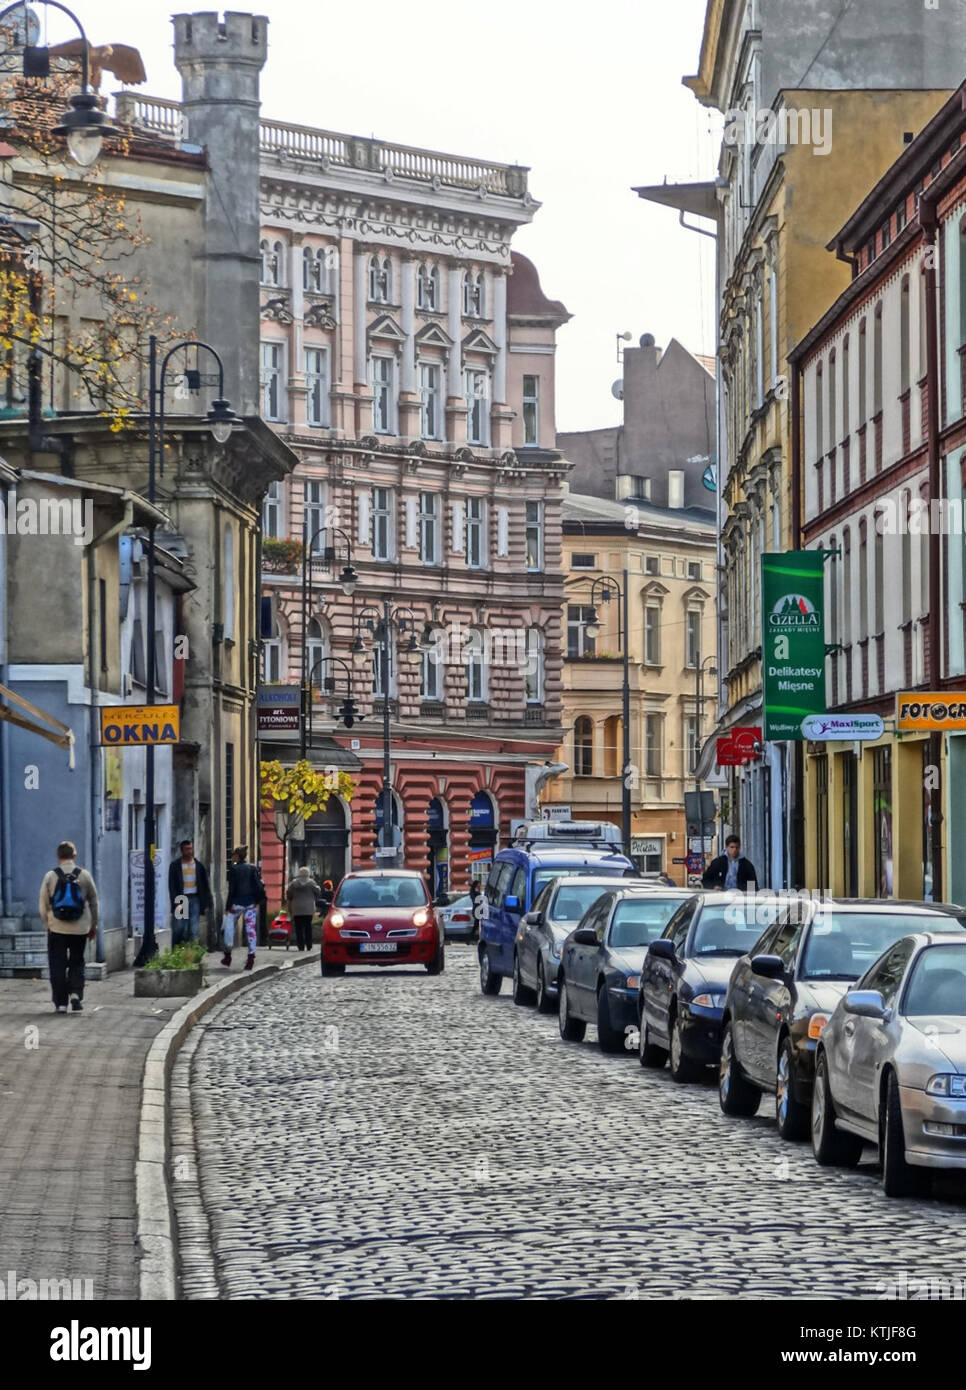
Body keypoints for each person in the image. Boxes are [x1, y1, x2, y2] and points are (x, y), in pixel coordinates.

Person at [39, 840, 99, 1014]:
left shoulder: (51, 876)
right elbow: (94, 902)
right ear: (74, 856)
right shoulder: (85, 875)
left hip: (56, 928)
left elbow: (43, 904)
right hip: (80, 928)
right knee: (77, 961)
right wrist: (93, 924)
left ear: (58, 856)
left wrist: (47, 923)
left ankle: (61, 1003)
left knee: (57, 964)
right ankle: (75, 993)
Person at [224, 846, 266, 970]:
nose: (232, 857)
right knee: (251, 929)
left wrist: (228, 906)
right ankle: (251, 957)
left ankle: (227, 955)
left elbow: (232, 889)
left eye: (233, 855)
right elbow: (259, 885)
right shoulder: (253, 868)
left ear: (237, 856)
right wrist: (258, 900)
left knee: (229, 927)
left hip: (237, 903)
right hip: (251, 903)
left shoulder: (234, 869)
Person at [168, 839, 212, 947]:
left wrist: (207, 902)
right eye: (187, 849)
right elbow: (172, 885)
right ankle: (177, 952)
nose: (190, 851)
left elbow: (205, 885)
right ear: (181, 850)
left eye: (191, 848)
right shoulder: (175, 866)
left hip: (195, 899)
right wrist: (175, 901)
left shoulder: (198, 866)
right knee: (179, 928)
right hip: (181, 899)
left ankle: (192, 955)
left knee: (194, 929)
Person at [286, 864, 321, 952]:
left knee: (298, 928)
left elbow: (288, 893)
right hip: (308, 908)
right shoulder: (311, 882)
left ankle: (300, 945)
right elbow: (318, 891)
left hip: (297, 908)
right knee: (308, 927)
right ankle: (309, 945)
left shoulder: (294, 883)